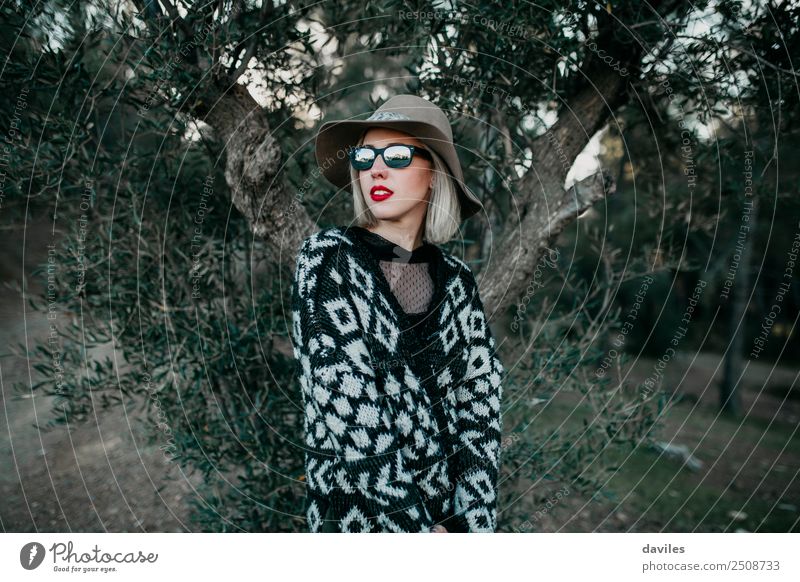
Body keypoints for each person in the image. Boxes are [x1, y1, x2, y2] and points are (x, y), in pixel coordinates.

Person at [291, 94, 504, 533]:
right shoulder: (329, 262)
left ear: (434, 174)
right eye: (364, 156)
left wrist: (472, 530)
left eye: (398, 155)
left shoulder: (459, 283)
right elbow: (350, 411)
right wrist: (417, 534)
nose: (376, 169)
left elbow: (479, 409)